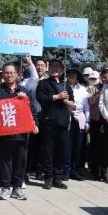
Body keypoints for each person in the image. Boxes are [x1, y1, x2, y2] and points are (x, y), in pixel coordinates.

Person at [0, 62, 35, 200]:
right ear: (2, 75)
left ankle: (17, 187)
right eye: (6, 73)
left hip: (21, 133)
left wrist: (35, 124)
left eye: (12, 73)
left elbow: (33, 110)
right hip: (4, 133)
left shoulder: (25, 91)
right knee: (4, 160)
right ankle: (5, 187)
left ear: (17, 74)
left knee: (20, 161)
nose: (9, 75)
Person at [35, 59, 74, 190]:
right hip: (48, 120)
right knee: (48, 150)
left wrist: (69, 103)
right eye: (52, 67)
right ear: (48, 69)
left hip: (63, 121)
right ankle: (48, 177)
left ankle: (58, 177)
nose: (55, 69)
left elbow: (72, 101)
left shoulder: (66, 84)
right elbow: (41, 98)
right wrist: (57, 97)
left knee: (61, 150)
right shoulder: (43, 83)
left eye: (57, 67)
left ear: (62, 70)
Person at [66, 68, 90, 180]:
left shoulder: (82, 89)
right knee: (67, 145)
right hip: (67, 117)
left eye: (74, 74)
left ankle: (74, 170)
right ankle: (66, 170)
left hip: (80, 117)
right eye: (70, 74)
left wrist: (88, 121)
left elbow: (86, 106)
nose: (72, 76)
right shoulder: (63, 86)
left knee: (78, 145)